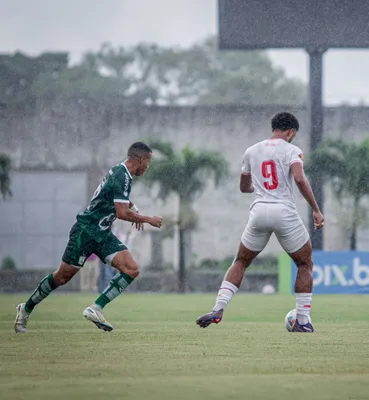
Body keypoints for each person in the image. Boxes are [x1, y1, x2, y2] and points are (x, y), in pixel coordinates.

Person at [195, 112, 324, 332]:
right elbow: (300, 178)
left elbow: (244, 187)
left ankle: (218, 309)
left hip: (259, 211)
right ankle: (302, 321)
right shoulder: (293, 150)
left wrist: (260, 189)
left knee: (241, 261)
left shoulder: (251, 151)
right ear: (291, 132)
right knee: (304, 264)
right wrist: (316, 210)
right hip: (284, 212)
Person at [14, 142, 163, 333]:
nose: (147, 167)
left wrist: (135, 209)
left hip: (102, 233)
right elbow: (121, 213)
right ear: (141, 159)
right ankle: (25, 309)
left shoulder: (121, 173)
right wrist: (148, 219)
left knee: (131, 269)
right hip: (85, 230)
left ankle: (96, 308)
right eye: (148, 163)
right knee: (62, 277)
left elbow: (119, 198)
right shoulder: (122, 174)